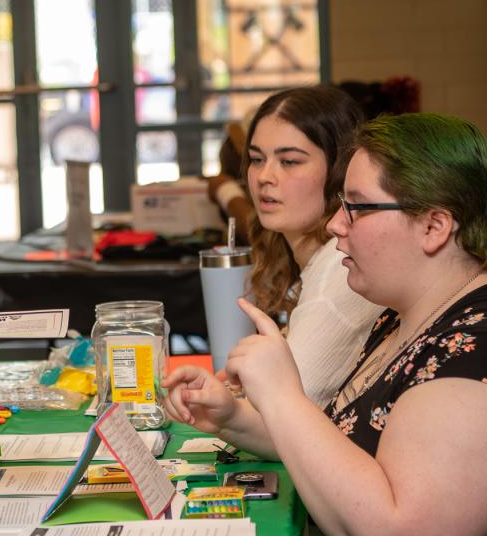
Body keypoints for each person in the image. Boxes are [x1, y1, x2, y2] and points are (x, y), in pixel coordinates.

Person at [164, 113, 487, 535]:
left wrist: (281, 394)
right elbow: (339, 448)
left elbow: (401, 527)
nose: (335, 224)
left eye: (357, 208)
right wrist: (232, 419)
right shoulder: (402, 317)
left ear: (433, 226)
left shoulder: (468, 353)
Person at [239, 86, 383, 406]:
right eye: (256, 159)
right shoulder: (307, 256)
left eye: (289, 161)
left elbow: (286, 406)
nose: (265, 176)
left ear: (339, 172)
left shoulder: (342, 262)